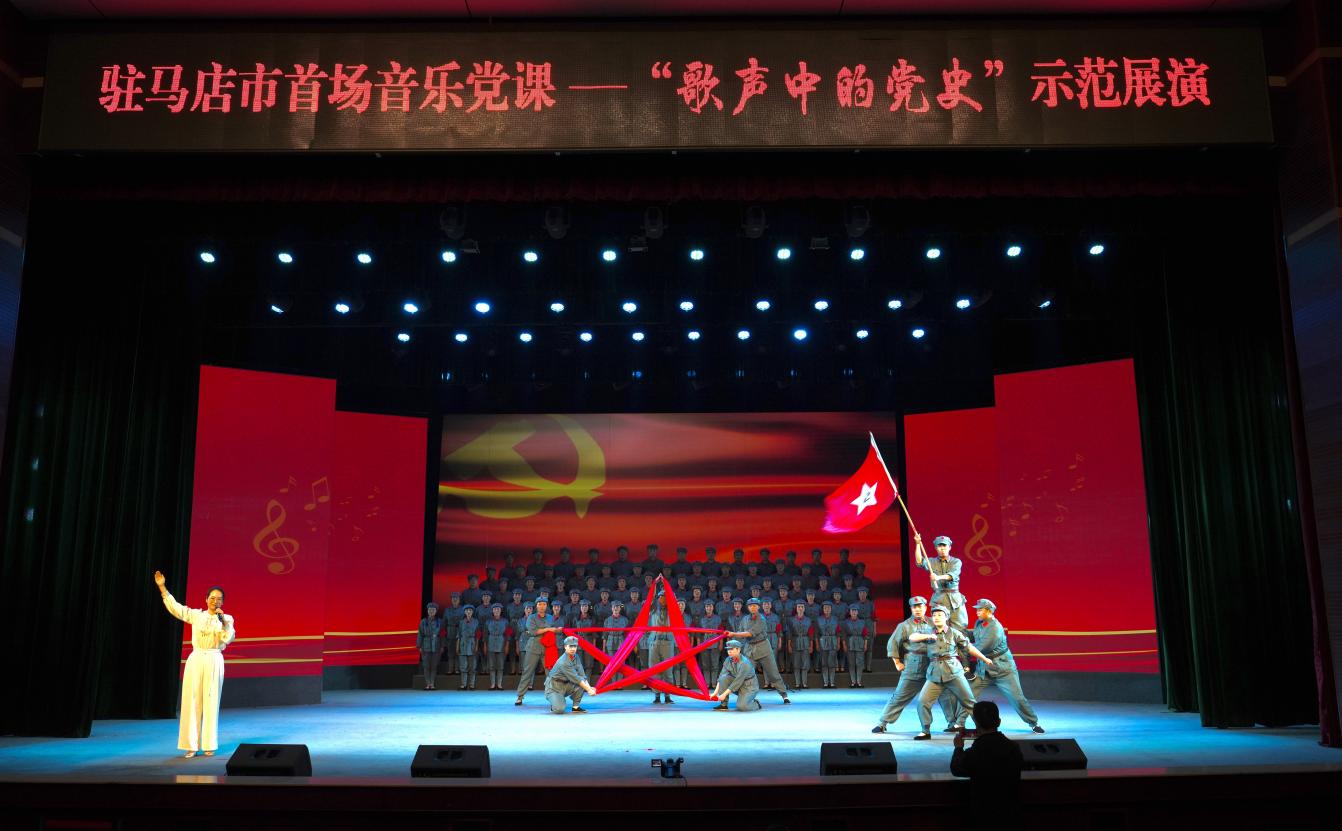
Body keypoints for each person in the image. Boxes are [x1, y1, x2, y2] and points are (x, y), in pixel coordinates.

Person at [153, 570, 235, 758]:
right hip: (196, 658)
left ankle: (209, 744)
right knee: (192, 701)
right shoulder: (196, 615)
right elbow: (176, 608)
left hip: (214, 658)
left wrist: (223, 622)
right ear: (206, 599)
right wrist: (162, 587)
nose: (215, 601)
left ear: (223, 602)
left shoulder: (227, 619)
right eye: (212, 598)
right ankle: (191, 744)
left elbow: (228, 638)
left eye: (219, 599)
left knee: (211, 701)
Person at [952, 599, 1045, 733]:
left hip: (1003, 669)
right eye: (977, 609)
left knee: (1017, 698)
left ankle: (1033, 722)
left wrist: (956, 645)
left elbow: (978, 648)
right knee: (968, 694)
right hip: (984, 668)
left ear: (989, 611)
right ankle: (959, 723)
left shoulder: (995, 629)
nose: (977, 612)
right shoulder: (980, 623)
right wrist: (959, 633)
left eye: (980, 610)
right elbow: (974, 635)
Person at [872, 596, 955, 733]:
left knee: (945, 694)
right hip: (913, 664)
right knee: (900, 695)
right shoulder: (904, 626)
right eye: (914, 607)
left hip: (934, 663)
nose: (917, 609)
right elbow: (892, 643)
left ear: (925, 607)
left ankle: (953, 723)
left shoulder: (933, 621)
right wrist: (897, 662)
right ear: (911, 609)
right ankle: (882, 722)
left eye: (920, 606)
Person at [913, 605, 995, 740]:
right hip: (934, 673)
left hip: (953, 672)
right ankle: (925, 730)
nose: (936, 617)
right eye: (934, 615)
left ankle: (983, 730)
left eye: (940, 615)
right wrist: (928, 636)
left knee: (969, 702)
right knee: (922, 701)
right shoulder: (928, 631)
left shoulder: (954, 633)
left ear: (946, 617)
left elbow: (969, 647)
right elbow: (913, 637)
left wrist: (984, 658)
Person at [950, 701, 1024, 820]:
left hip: (983, 815)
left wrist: (958, 748)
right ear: (999, 722)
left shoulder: (976, 751)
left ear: (976, 723)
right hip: (1011, 814)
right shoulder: (1013, 747)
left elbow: (957, 769)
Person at [727, 598, 790, 704]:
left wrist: (733, 634)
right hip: (750, 649)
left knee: (773, 673)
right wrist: (731, 638)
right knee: (745, 673)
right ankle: (745, 695)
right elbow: (740, 632)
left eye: (755, 606)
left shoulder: (761, 619)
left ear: (758, 607)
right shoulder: (745, 619)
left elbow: (749, 634)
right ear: (748, 607)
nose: (752, 607)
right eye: (750, 606)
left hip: (763, 647)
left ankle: (784, 694)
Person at [915, 533, 968, 632]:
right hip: (938, 598)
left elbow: (952, 575)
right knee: (939, 626)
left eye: (944, 545)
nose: (942, 548)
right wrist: (918, 544)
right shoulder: (931, 561)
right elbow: (919, 562)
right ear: (936, 548)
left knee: (960, 626)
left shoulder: (956, 561)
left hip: (955, 600)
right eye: (939, 546)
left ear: (949, 547)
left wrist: (938, 577)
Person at [515, 597, 563, 705]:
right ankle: (520, 696)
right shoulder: (531, 617)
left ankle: (553, 697)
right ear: (536, 606)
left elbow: (553, 630)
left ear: (547, 606)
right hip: (533, 648)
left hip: (547, 648)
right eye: (540, 604)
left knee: (551, 673)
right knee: (527, 672)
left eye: (544, 604)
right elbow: (532, 632)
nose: (542, 606)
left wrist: (557, 630)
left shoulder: (550, 617)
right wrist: (548, 629)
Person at [545, 636, 598, 714]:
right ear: (565, 647)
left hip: (566, 684)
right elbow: (576, 678)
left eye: (575, 646)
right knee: (559, 709)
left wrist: (589, 687)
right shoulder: (563, 662)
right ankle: (555, 702)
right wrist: (589, 690)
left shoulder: (576, 657)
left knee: (582, 683)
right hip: (554, 687)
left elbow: (582, 675)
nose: (573, 649)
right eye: (570, 646)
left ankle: (575, 707)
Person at [711, 640, 761, 711]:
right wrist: (715, 692)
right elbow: (721, 676)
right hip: (737, 685)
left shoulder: (745, 663)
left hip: (749, 687)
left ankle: (756, 703)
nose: (729, 651)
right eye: (728, 649)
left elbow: (737, 682)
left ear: (738, 650)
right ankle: (723, 705)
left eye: (732, 649)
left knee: (742, 707)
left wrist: (724, 694)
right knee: (723, 678)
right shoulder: (728, 660)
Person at [648, 592, 677, 704]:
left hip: (667, 642)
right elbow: (650, 600)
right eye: (661, 597)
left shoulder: (672, 610)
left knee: (668, 670)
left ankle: (667, 695)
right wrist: (655, 585)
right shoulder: (654, 610)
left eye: (665, 597)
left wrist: (670, 594)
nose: (663, 599)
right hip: (654, 642)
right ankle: (656, 695)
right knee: (654, 669)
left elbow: (674, 602)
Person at [786, 600, 814, 689]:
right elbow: (789, 633)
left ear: (804, 608)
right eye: (799, 607)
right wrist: (789, 645)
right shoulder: (791, 620)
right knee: (796, 663)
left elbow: (811, 633)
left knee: (805, 663)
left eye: (802, 607)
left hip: (805, 641)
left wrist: (811, 645)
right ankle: (797, 683)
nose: (800, 608)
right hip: (795, 641)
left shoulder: (808, 620)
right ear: (796, 608)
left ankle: (804, 683)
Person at [417, 602, 445, 690]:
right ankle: (427, 683)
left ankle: (432, 683)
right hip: (425, 645)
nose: (431, 611)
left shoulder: (440, 622)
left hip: (436, 645)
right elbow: (420, 634)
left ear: (436, 611)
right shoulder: (423, 622)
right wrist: (419, 646)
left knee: (434, 665)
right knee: (426, 665)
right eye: (430, 610)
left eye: (433, 610)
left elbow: (442, 634)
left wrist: (442, 646)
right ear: (427, 611)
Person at [483, 603, 511, 691]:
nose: (496, 611)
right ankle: (492, 684)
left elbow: (508, 634)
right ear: (492, 611)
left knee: (500, 665)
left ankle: (499, 684)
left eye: (498, 609)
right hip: (490, 643)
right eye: (495, 609)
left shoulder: (505, 621)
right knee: (491, 665)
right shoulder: (488, 622)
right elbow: (485, 634)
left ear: (501, 611)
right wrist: (485, 645)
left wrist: (507, 645)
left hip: (501, 643)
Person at [841, 603, 869, 687]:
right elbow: (843, 635)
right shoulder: (845, 622)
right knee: (851, 663)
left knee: (859, 663)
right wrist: (844, 645)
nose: (854, 612)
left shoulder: (862, 622)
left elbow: (865, 634)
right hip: (850, 643)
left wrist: (865, 644)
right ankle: (853, 682)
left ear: (857, 612)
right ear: (849, 612)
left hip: (860, 642)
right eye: (852, 610)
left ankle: (859, 681)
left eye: (855, 610)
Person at [814, 599, 840, 688]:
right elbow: (816, 634)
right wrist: (817, 644)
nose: (827, 609)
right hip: (823, 641)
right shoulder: (819, 619)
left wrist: (838, 643)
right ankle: (825, 682)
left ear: (831, 609)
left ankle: (832, 682)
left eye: (828, 608)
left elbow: (838, 632)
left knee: (832, 662)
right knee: (824, 663)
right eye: (825, 608)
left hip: (833, 641)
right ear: (823, 609)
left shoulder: (835, 619)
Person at [697, 600, 723, 681]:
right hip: (704, 644)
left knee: (715, 664)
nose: (709, 608)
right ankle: (707, 683)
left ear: (713, 607)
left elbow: (721, 632)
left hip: (715, 644)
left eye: (710, 606)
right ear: (705, 608)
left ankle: (714, 682)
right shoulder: (701, 619)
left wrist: (721, 644)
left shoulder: (718, 618)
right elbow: (698, 633)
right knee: (705, 665)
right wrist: (699, 645)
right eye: (707, 606)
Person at [457, 604, 480, 690]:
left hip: (472, 643)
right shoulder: (461, 622)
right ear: (464, 612)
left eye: (470, 610)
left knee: (472, 666)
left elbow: (478, 635)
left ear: (472, 612)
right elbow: (459, 635)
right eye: (467, 610)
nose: (468, 612)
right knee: (463, 666)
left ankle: (471, 684)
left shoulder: (476, 622)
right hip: (463, 644)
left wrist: (476, 645)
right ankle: (463, 684)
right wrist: (457, 646)